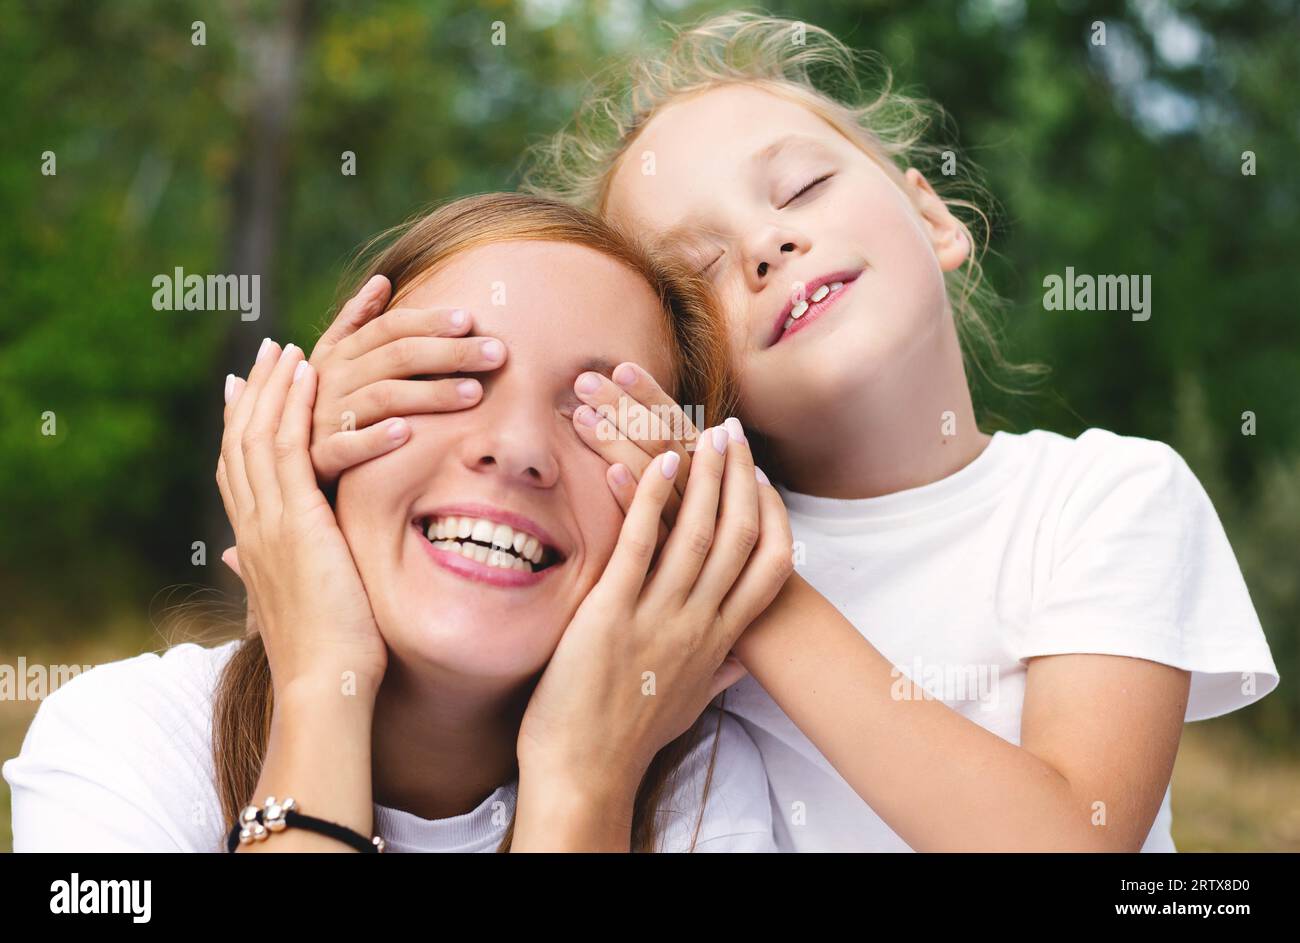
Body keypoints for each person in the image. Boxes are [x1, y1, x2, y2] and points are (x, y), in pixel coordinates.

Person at [3, 193, 792, 852]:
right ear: (312, 443)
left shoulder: (705, 790)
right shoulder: (126, 741)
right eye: (452, 377)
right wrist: (319, 682)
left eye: (595, 411)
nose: (516, 450)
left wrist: (584, 781)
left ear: (677, 517)